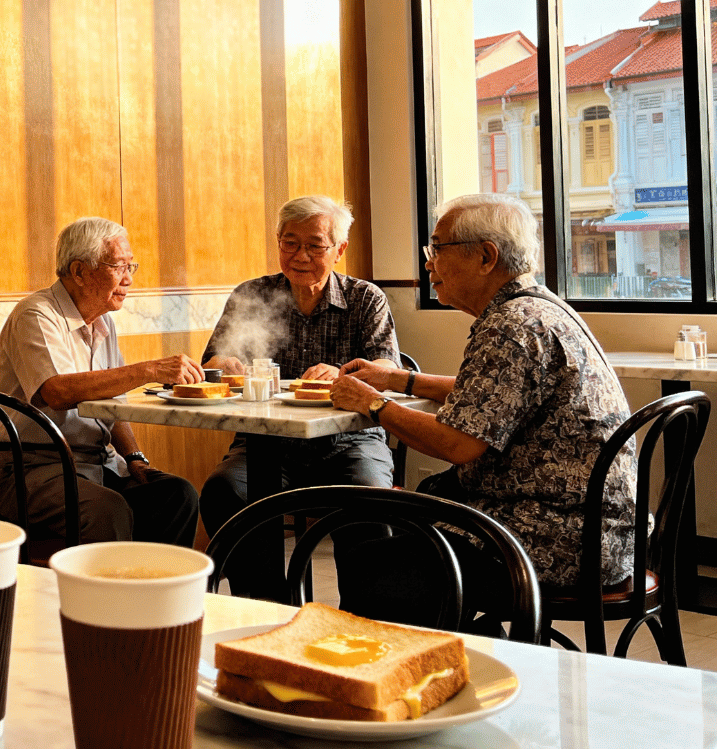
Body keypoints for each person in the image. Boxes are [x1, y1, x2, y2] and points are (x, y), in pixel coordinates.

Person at [330, 193, 636, 626]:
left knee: (377, 563)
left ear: (486, 257)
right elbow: (496, 394)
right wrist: (400, 380)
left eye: (437, 248)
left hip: (557, 541)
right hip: (598, 530)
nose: (428, 263)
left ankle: (412, 672)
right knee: (407, 512)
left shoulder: (511, 325)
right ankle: (466, 641)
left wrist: (372, 403)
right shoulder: (538, 305)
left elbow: (458, 443)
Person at [198, 195, 400, 596]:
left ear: (339, 250)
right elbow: (211, 364)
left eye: (315, 245)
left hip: (351, 441)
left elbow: (390, 372)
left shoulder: (365, 299)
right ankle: (266, 605)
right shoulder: (252, 295)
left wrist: (345, 375)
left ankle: (363, 618)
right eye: (289, 243)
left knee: (369, 500)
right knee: (224, 491)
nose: (300, 255)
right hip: (266, 444)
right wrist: (225, 364)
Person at [0, 217, 202, 547]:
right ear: (80, 272)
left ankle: (153, 595)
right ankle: (107, 598)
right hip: (27, 468)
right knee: (108, 510)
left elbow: (112, 406)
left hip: (96, 463)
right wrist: (148, 370)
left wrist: (134, 458)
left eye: (132, 266)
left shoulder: (103, 323)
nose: (129, 279)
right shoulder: (37, 314)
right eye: (119, 267)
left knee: (176, 495)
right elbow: (56, 391)